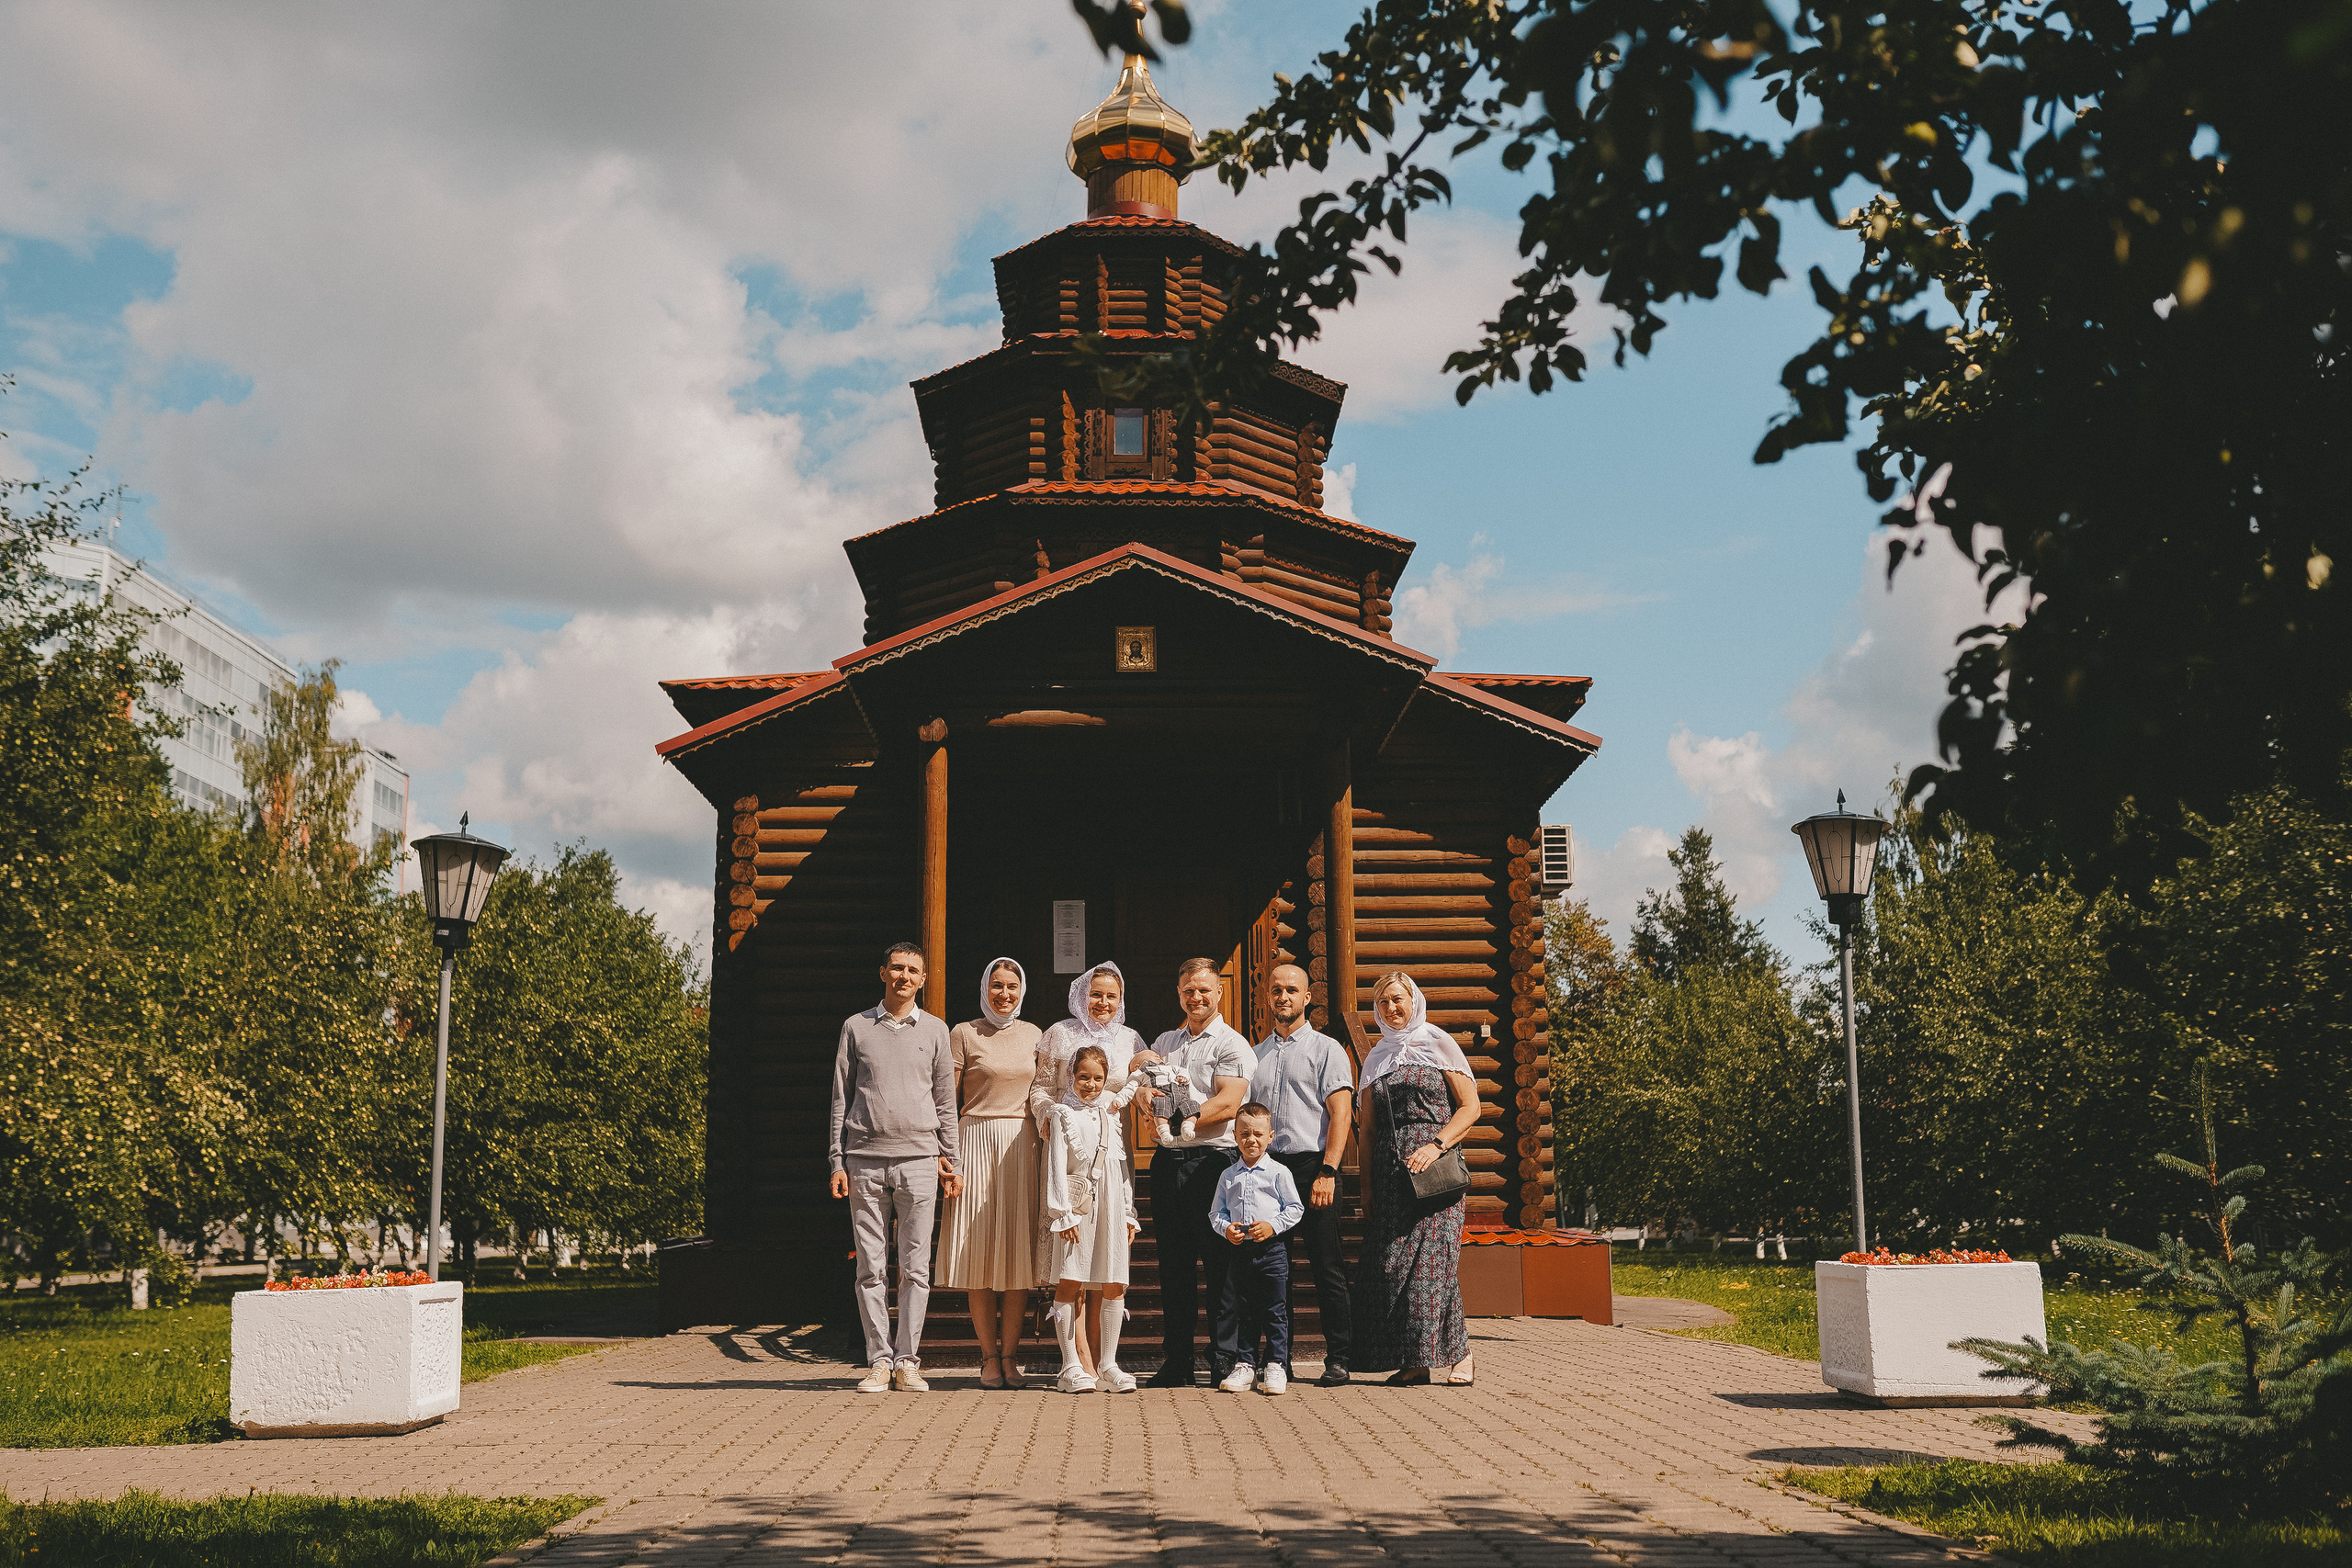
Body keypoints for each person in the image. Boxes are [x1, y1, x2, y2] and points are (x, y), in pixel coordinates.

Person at [829, 942, 960, 1393]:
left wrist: (953, 1160)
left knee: (915, 1268)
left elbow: (945, 1102)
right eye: (897, 968)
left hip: (920, 1161)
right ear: (882, 972)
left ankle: (907, 1362)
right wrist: (837, 1160)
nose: (904, 976)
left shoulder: (936, 1030)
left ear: (922, 979)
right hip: (864, 1162)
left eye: (913, 970)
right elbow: (841, 1097)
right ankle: (879, 1362)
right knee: (870, 1268)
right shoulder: (855, 1027)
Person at [1352, 970, 1480, 1387]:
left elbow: (1471, 1108)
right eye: (1383, 1002)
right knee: (1394, 1267)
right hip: (1391, 1174)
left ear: (1413, 1000)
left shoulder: (1438, 1042)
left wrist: (1436, 1145)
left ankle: (1460, 1355)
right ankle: (1416, 1361)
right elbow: (1367, 1130)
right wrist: (1366, 1187)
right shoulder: (1377, 1058)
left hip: (1436, 1174)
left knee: (1434, 1264)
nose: (1391, 1007)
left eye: (1397, 999)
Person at [1139, 958, 1254, 1387]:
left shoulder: (1232, 1044)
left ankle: (1224, 1358)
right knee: (1174, 1266)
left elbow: (1228, 1103)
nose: (1196, 997)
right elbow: (1146, 1083)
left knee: (1220, 1264)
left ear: (1219, 992)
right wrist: (1145, 1097)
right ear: (1179, 993)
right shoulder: (1165, 1042)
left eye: (1204, 989)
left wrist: (1180, 1118)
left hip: (1213, 1164)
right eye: (1189, 990)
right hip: (1168, 1163)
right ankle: (1178, 1360)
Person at [1028, 962, 1144, 1369]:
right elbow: (1041, 1088)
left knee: (1107, 1256)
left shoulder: (1130, 1039)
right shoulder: (1060, 1034)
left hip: (1110, 1149)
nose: (1103, 1002)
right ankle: (1077, 1359)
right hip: (1070, 1146)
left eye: (1112, 996)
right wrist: (1050, 1114)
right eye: (1096, 994)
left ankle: (1102, 1355)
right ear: (1082, 995)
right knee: (1073, 1257)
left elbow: (1140, 1083)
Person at [938, 957, 1045, 1390]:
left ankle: (1012, 1357)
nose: (1005, 994)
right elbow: (947, 1099)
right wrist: (947, 1155)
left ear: (1022, 990)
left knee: (1018, 1255)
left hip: (1022, 1143)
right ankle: (988, 1357)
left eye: (1012, 986)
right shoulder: (963, 1033)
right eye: (997, 986)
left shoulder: (1035, 1034)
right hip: (975, 1141)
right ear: (985, 989)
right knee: (980, 1254)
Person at [1249, 962, 1357, 1384]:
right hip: (1271, 1172)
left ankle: (1339, 1357)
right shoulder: (1255, 1055)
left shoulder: (1327, 1050)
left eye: (1292, 990)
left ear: (1307, 998)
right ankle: (1279, 1359)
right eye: (1276, 990)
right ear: (1268, 997)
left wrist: (1329, 1169)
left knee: (1327, 1267)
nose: (1283, 996)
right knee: (1275, 1271)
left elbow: (1341, 1113)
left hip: (1315, 1168)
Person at [1042, 1044, 1142, 1393]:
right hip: (1077, 1209)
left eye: (1097, 1078)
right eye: (1083, 1077)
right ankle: (1070, 1366)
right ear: (1072, 1076)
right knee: (1071, 1281)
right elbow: (1056, 1165)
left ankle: (1108, 1364)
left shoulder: (1111, 1111)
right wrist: (1063, 1214)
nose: (1090, 1084)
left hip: (1112, 1205)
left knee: (1114, 1282)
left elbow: (1121, 1166)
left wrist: (1128, 1212)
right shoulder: (1062, 1113)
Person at [1210, 1101, 1304, 1395]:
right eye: (1245, 1134)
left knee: (1275, 1310)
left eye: (1258, 1134)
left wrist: (1273, 1226)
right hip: (1241, 1252)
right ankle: (1245, 1364)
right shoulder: (1228, 1176)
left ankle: (1276, 1364)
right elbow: (1216, 1213)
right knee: (1245, 1310)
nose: (1251, 1139)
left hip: (1272, 1251)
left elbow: (1295, 1208)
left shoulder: (1278, 1172)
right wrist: (1226, 1228)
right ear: (1235, 1136)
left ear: (1270, 1136)